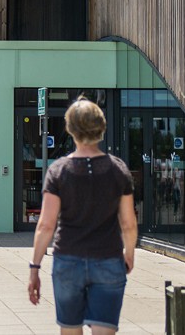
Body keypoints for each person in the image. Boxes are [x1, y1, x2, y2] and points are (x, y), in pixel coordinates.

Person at [29, 97, 137, 335]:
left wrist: (34, 267)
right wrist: (128, 254)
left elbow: (46, 225)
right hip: (108, 258)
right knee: (104, 330)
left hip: (68, 260)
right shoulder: (118, 169)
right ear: (101, 127)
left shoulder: (58, 171)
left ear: (70, 129)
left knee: (69, 329)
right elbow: (128, 224)